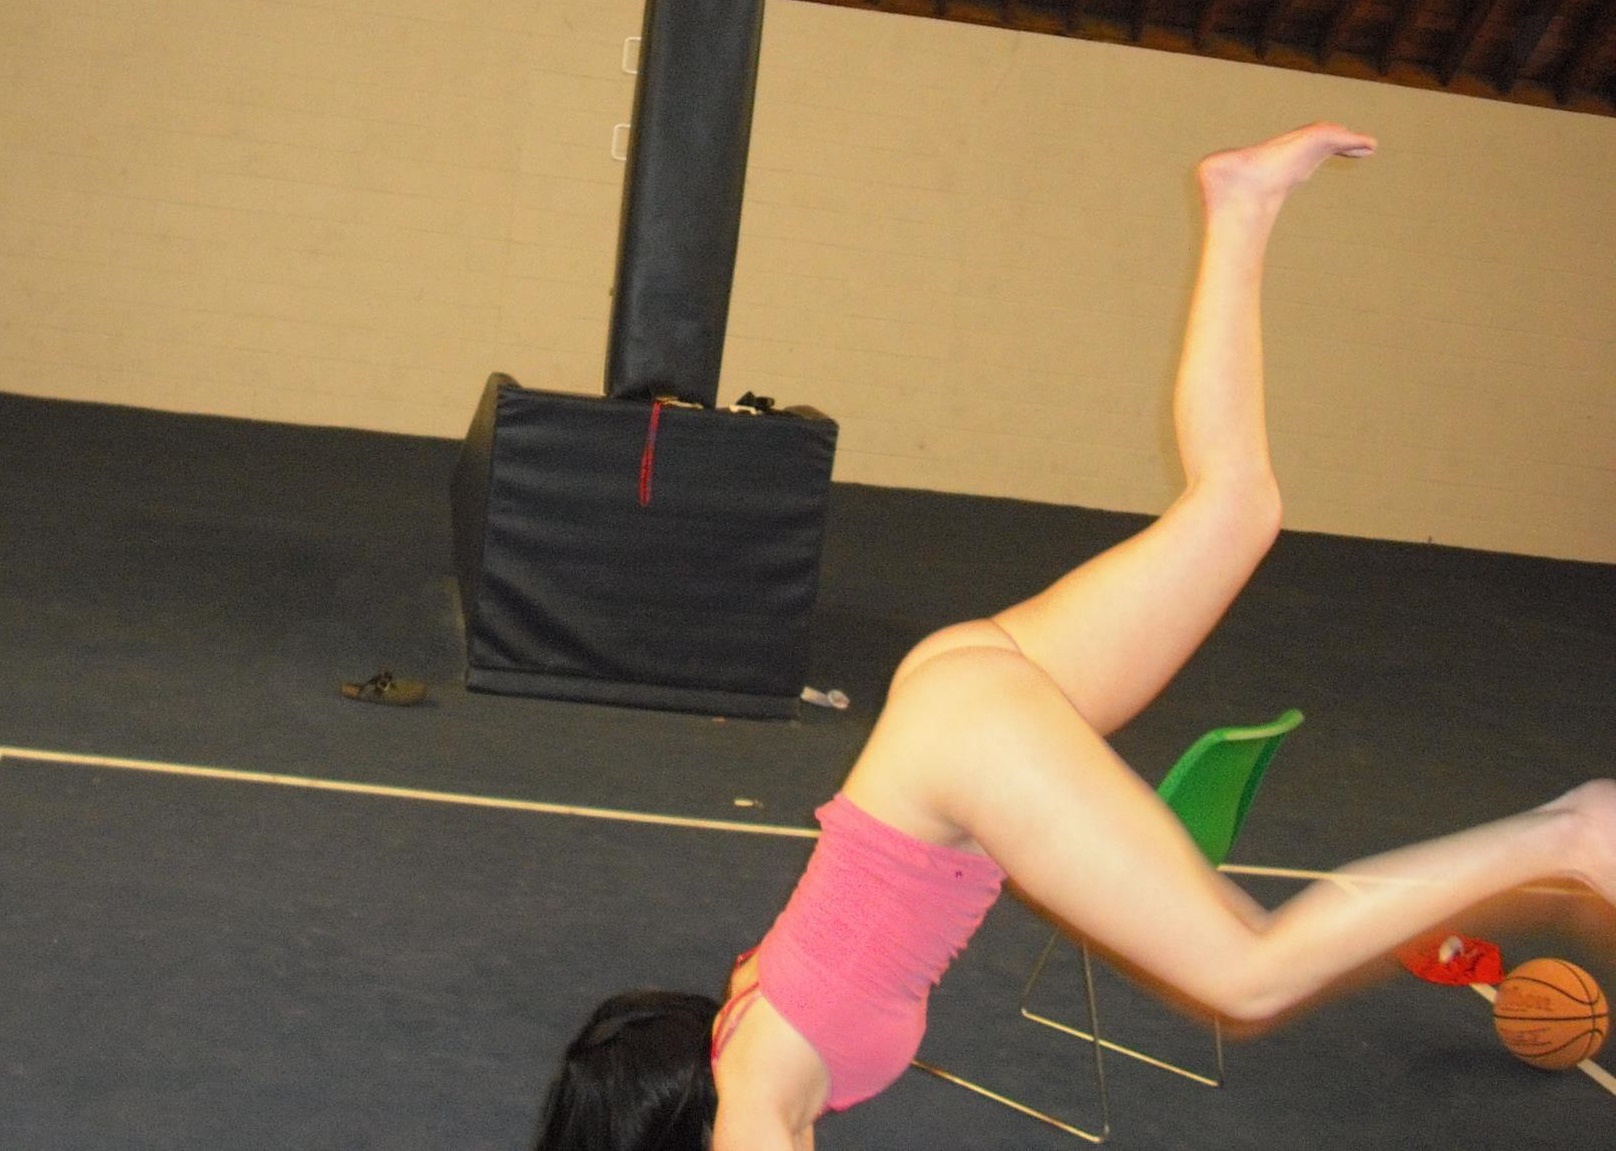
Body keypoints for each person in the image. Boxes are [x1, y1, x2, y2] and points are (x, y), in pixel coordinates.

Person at [533, 123, 1616, 1151]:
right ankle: (1241, 203)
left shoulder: (754, 1102)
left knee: (1249, 972)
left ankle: (1569, 832)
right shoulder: (742, 1015)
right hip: (952, 701)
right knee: (1236, 504)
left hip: (960, 754)